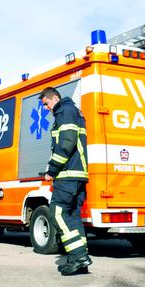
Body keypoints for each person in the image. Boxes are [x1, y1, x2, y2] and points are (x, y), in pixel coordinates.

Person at [40, 87, 92, 276]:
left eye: (46, 103)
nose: (45, 108)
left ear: (55, 98)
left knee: (58, 214)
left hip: (68, 175)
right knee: (72, 217)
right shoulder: (73, 111)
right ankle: (78, 261)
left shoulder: (65, 111)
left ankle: (79, 256)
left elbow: (66, 143)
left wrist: (52, 170)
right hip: (77, 175)